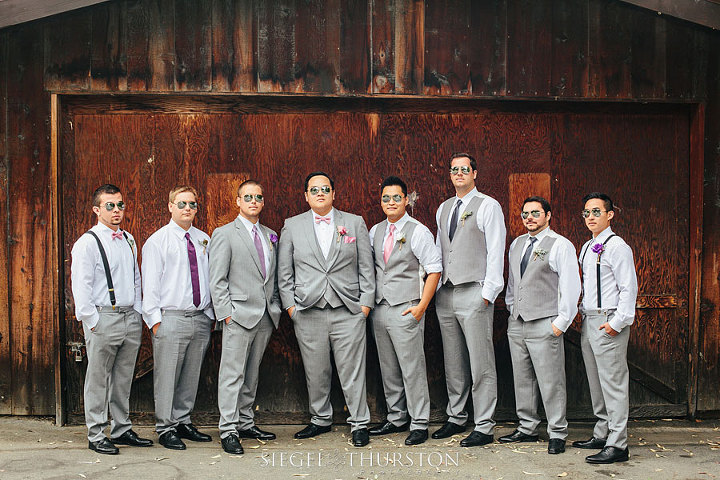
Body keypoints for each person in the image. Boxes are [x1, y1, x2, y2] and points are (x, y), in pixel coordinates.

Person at [277, 172, 375, 447]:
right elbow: (284, 272)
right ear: (305, 196)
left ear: (334, 194)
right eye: (314, 189)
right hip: (308, 311)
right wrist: (291, 308)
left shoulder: (353, 223)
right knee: (315, 370)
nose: (320, 193)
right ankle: (320, 419)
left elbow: (366, 267)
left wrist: (365, 306)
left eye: (325, 189)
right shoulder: (292, 226)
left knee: (353, 370)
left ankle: (359, 423)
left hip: (348, 310)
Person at [70, 184, 152, 455]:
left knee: (123, 377)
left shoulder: (128, 238)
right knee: (98, 378)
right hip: (104, 317)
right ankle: (96, 433)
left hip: (129, 316)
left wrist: (138, 311)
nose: (117, 211)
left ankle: (121, 428)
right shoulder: (87, 242)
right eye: (110, 206)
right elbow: (80, 286)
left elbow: (135, 278)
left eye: (120, 205)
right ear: (97, 209)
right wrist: (92, 321)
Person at [433, 153, 506, 447]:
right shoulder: (444, 207)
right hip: (446, 292)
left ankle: (484, 424)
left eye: (465, 169)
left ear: (474, 173)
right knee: (453, 360)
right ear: (450, 175)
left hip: (475, 290)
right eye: (454, 169)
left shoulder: (488, 205)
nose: (459, 173)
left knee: (480, 362)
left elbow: (496, 248)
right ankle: (456, 416)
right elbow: (440, 249)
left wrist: (488, 293)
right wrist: (435, 288)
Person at [501, 196, 581, 454]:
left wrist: (561, 323)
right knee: (522, 378)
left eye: (535, 213)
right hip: (518, 322)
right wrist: (512, 308)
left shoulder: (560, 245)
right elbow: (514, 282)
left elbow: (571, 286)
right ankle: (526, 427)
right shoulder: (516, 244)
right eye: (525, 214)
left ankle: (557, 432)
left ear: (548, 215)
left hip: (545, 322)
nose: (529, 218)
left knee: (551, 381)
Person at [367, 176, 442, 446]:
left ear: (406, 200)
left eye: (396, 197)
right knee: (388, 368)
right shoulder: (374, 231)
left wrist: (421, 307)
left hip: (406, 308)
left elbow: (434, 269)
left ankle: (419, 422)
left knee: (412, 367)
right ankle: (396, 417)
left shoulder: (418, 231)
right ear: (381, 201)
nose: (391, 202)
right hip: (380, 308)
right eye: (386, 198)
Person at [209, 180, 281, 455]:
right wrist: (226, 314)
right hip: (238, 316)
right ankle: (228, 429)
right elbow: (217, 280)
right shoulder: (225, 234)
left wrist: (272, 305)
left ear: (263, 202)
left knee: (251, 374)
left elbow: (271, 277)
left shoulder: (270, 234)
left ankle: (246, 422)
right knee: (232, 374)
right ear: (237, 201)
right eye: (247, 197)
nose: (253, 201)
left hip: (264, 316)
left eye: (258, 197)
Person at [141, 186, 214, 450]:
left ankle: (183, 420)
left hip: (200, 317)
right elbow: (149, 285)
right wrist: (156, 322)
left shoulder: (203, 239)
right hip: (170, 318)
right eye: (181, 203)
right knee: (168, 375)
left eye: (192, 204)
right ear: (170, 206)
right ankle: (165, 427)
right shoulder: (157, 241)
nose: (187, 208)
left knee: (191, 375)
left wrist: (210, 314)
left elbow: (209, 278)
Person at [573, 192, 637, 464]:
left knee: (613, 383)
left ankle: (618, 443)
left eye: (596, 212)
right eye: (587, 212)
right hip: (590, 319)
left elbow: (628, 288)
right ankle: (602, 432)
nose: (590, 217)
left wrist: (617, 323)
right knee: (596, 382)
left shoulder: (617, 246)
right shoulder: (588, 247)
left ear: (610, 215)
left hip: (608, 320)